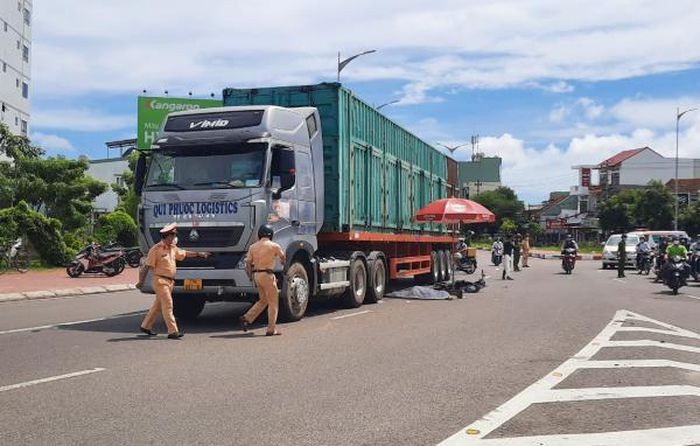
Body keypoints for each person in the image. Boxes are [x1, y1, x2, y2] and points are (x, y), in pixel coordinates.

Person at [136, 223, 211, 339]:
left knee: (158, 306)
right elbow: (146, 267)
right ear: (167, 236)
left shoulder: (173, 248)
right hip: (160, 281)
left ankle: (145, 326)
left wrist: (199, 254)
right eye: (173, 235)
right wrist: (141, 282)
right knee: (168, 305)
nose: (175, 238)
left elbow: (184, 253)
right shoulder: (155, 249)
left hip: (170, 282)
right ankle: (173, 331)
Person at [240, 225, 287, 336]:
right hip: (267, 275)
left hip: (257, 275)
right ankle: (271, 329)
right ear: (271, 234)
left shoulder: (253, 247)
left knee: (263, 300)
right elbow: (283, 258)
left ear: (259, 234)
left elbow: (248, 263)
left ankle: (247, 318)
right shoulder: (274, 246)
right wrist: (282, 263)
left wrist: (250, 276)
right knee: (273, 303)